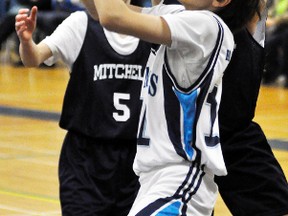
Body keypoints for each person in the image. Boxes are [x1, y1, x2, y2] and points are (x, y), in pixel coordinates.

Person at [81, 0, 265, 215]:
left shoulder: (207, 25)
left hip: (180, 180)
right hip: (157, 182)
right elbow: (99, 10)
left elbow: (114, 16)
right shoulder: (178, 14)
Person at [15, 1, 151, 215]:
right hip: (85, 161)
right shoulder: (80, 24)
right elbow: (34, 58)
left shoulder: (151, 25)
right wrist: (26, 42)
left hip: (137, 162)